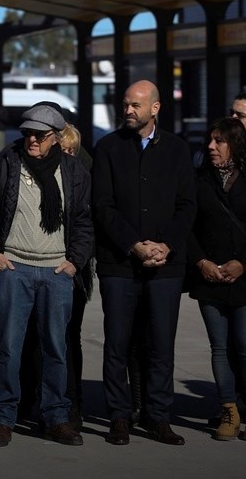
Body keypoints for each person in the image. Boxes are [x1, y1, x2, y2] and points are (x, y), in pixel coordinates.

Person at [0, 103, 93, 447]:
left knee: (56, 348)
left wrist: (75, 262)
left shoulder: (73, 171)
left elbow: (85, 220)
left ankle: (56, 417)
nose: (32, 140)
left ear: (56, 137)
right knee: (7, 348)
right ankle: (3, 419)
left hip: (57, 271)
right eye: (27, 133)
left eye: (40, 135)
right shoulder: (4, 164)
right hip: (13, 269)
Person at [93, 80, 196, 446]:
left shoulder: (179, 150)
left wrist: (166, 244)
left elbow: (187, 205)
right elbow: (102, 206)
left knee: (160, 344)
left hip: (166, 265)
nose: (128, 111)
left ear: (155, 108)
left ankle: (158, 417)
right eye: (125, 105)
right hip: (119, 264)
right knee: (117, 343)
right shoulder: (107, 148)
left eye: (136, 105)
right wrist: (134, 245)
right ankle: (119, 417)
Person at [186, 117, 246, 441]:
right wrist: (201, 261)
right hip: (210, 278)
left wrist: (243, 264)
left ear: (235, 144)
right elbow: (188, 226)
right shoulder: (200, 180)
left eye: (219, 141)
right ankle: (228, 409)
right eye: (210, 140)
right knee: (219, 348)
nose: (211, 146)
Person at [57, 123, 94, 430]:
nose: (67, 155)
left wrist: (76, 262)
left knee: (71, 338)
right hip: (49, 265)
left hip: (74, 271)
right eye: (62, 150)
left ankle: (73, 401)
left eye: (72, 150)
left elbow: (88, 225)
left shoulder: (85, 175)